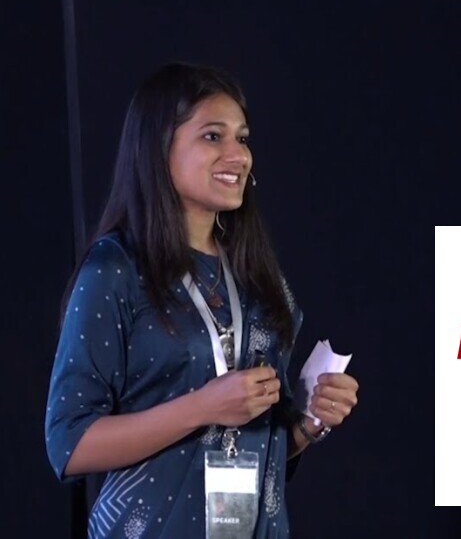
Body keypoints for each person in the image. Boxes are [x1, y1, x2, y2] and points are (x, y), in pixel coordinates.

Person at [45, 62, 359, 538]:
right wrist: (203, 407)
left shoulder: (258, 275)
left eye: (243, 139)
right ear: (158, 149)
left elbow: (258, 448)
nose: (238, 155)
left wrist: (309, 423)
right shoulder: (116, 269)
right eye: (213, 137)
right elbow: (68, 444)